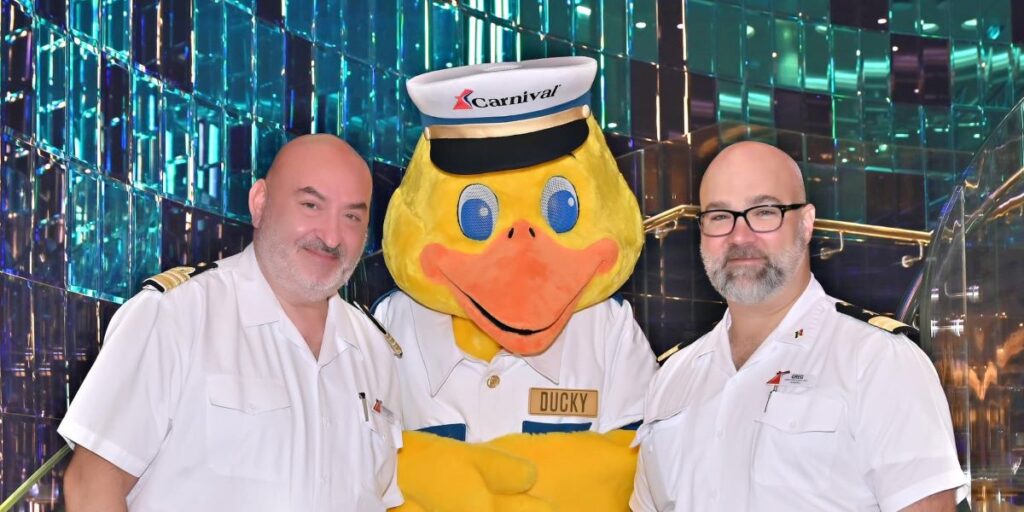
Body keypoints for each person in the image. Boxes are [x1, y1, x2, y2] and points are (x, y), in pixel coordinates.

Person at [58, 134, 403, 511]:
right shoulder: (177, 315)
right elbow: (92, 484)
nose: (332, 236)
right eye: (310, 205)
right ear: (260, 203)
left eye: (351, 216)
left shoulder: (375, 352)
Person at [630, 141, 967, 511]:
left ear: (806, 224)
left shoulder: (878, 362)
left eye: (763, 211)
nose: (739, 237)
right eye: (720, 216)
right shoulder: (671, 379)